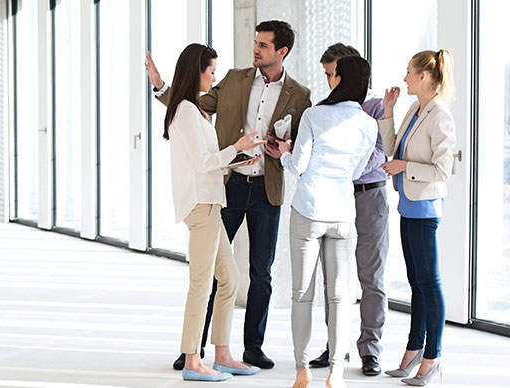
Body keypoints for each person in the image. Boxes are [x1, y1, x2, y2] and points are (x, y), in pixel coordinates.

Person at [146, 20, 312, 370]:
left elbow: (299, 145)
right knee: (208, 276)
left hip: (266, 187)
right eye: (255, 42)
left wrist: (282, 148)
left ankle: (248, 348)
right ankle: (194, 351)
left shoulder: (299, 94)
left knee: (256, 273)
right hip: (227, 186)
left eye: (263, 45)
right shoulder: (234, 79)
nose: (255, 49)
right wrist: (162, 87)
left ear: (281, 51)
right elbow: (191, 105)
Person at [265, 55, 377, 388]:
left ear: (341, 79)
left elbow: (298, 166)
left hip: (309, 209)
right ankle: (336, 373)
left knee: (303, 295)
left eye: (333, 75)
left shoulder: (315, 114)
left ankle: (302, 371)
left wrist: (283, 152)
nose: (329, 79)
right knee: (340, 297)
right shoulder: (368, 124)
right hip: (343, 214)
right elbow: (357, 172)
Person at [163, 43, 264, 382]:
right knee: (201, 283)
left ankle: (221, 354)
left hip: (211, 203)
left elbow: (209, 161)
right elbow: (203, 162)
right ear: (197, 71)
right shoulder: (187, 111)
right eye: (211, 71)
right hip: (201, 206)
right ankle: (193, 360)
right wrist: (237, 148)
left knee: (230, 279)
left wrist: (237, 158)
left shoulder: (195, 110)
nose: (214, 77)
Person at [306, 43, 389, 377]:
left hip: (370, 197)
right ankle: (334, 346)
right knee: (334, 278)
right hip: (335, 197)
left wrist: (348, 164)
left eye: (335, 74)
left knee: (371, 277)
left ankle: (370, 351)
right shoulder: (324, 110)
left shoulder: (378, 107)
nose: (331, 82)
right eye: (327, 75)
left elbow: (382, 153)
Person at [378, 49, 457, 387]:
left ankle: (433, 357)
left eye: (409, 72)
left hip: (425, 208)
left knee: (429, 283)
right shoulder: (415, 108)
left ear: (425, 75)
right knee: (416, 283)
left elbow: (444, 169)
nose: (405, 77)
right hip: (408, 205)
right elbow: (391, 148)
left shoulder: (439, 115)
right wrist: (389, 112)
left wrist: (405, 167)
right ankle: (413, 351)